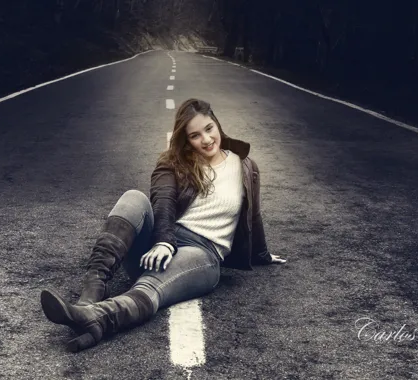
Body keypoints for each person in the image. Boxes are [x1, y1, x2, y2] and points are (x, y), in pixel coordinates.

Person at [40, 98, 286, 352]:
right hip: (159, 248)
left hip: (202, 253)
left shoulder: (245, 166)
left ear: (217, 124)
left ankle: (98, 319)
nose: (206, 139)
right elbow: (163, 203)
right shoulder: (175, 162)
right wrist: (165, 242)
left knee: (152, 286)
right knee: (134, 197)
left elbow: (253, 216)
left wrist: (262, 254)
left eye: (209, 128)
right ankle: (89, 296)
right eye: (195, 135)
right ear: (186, 139)